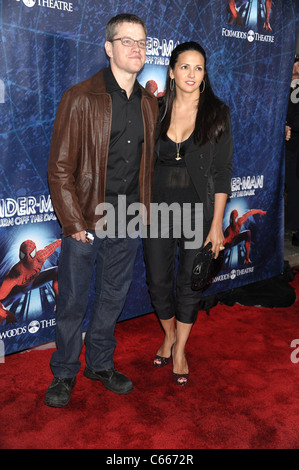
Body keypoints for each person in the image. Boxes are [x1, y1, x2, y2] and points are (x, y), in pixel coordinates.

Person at [45, 13, 158, 407]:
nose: (136, 49)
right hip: (86, 221)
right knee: (73, 300)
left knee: (112, 296)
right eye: (126, 41)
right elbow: (59, 168)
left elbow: (149, 165)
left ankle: (99, 363)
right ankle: (63, 373)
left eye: (142, 42)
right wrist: (73, 222)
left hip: (127, 221)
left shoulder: (148, 104)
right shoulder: (81, 96)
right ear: (109, 48)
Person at [143, 42, 233, 386]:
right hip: (158, 210)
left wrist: (217, 226)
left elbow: (222, 172)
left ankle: (179, 348)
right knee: (158, 282)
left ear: (205, 74)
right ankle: (169, 334)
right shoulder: (156, 108)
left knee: (190, 284)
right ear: (171, 70)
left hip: (199, 211)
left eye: (198, 68)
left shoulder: (217, 113)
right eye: (184, 67)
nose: (191, 74)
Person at [285, 58, 299, 246]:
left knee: (294, 186)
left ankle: (293, 226)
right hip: (276, 144)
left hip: (295, 144)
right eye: (294, 63)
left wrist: (290, 127)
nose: (296, 67)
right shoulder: (280, 86)